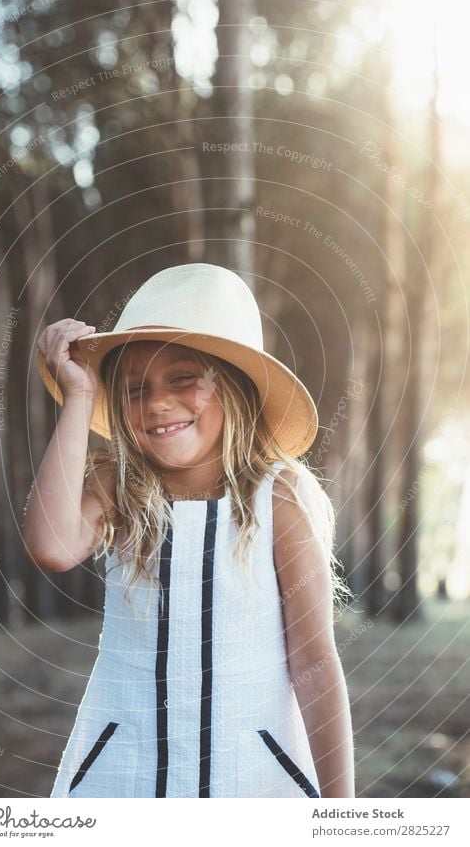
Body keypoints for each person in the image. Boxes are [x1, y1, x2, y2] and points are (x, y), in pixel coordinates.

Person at [25, 262, 355, 798]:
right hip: (124, 775)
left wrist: (343, 815)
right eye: (133, 388)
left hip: (251, 779)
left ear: (235, 388)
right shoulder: (119, 486)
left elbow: (315, 664)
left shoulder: (278, 499)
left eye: (183, 378)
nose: (157, 402)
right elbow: (51, 546)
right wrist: (80, 397)